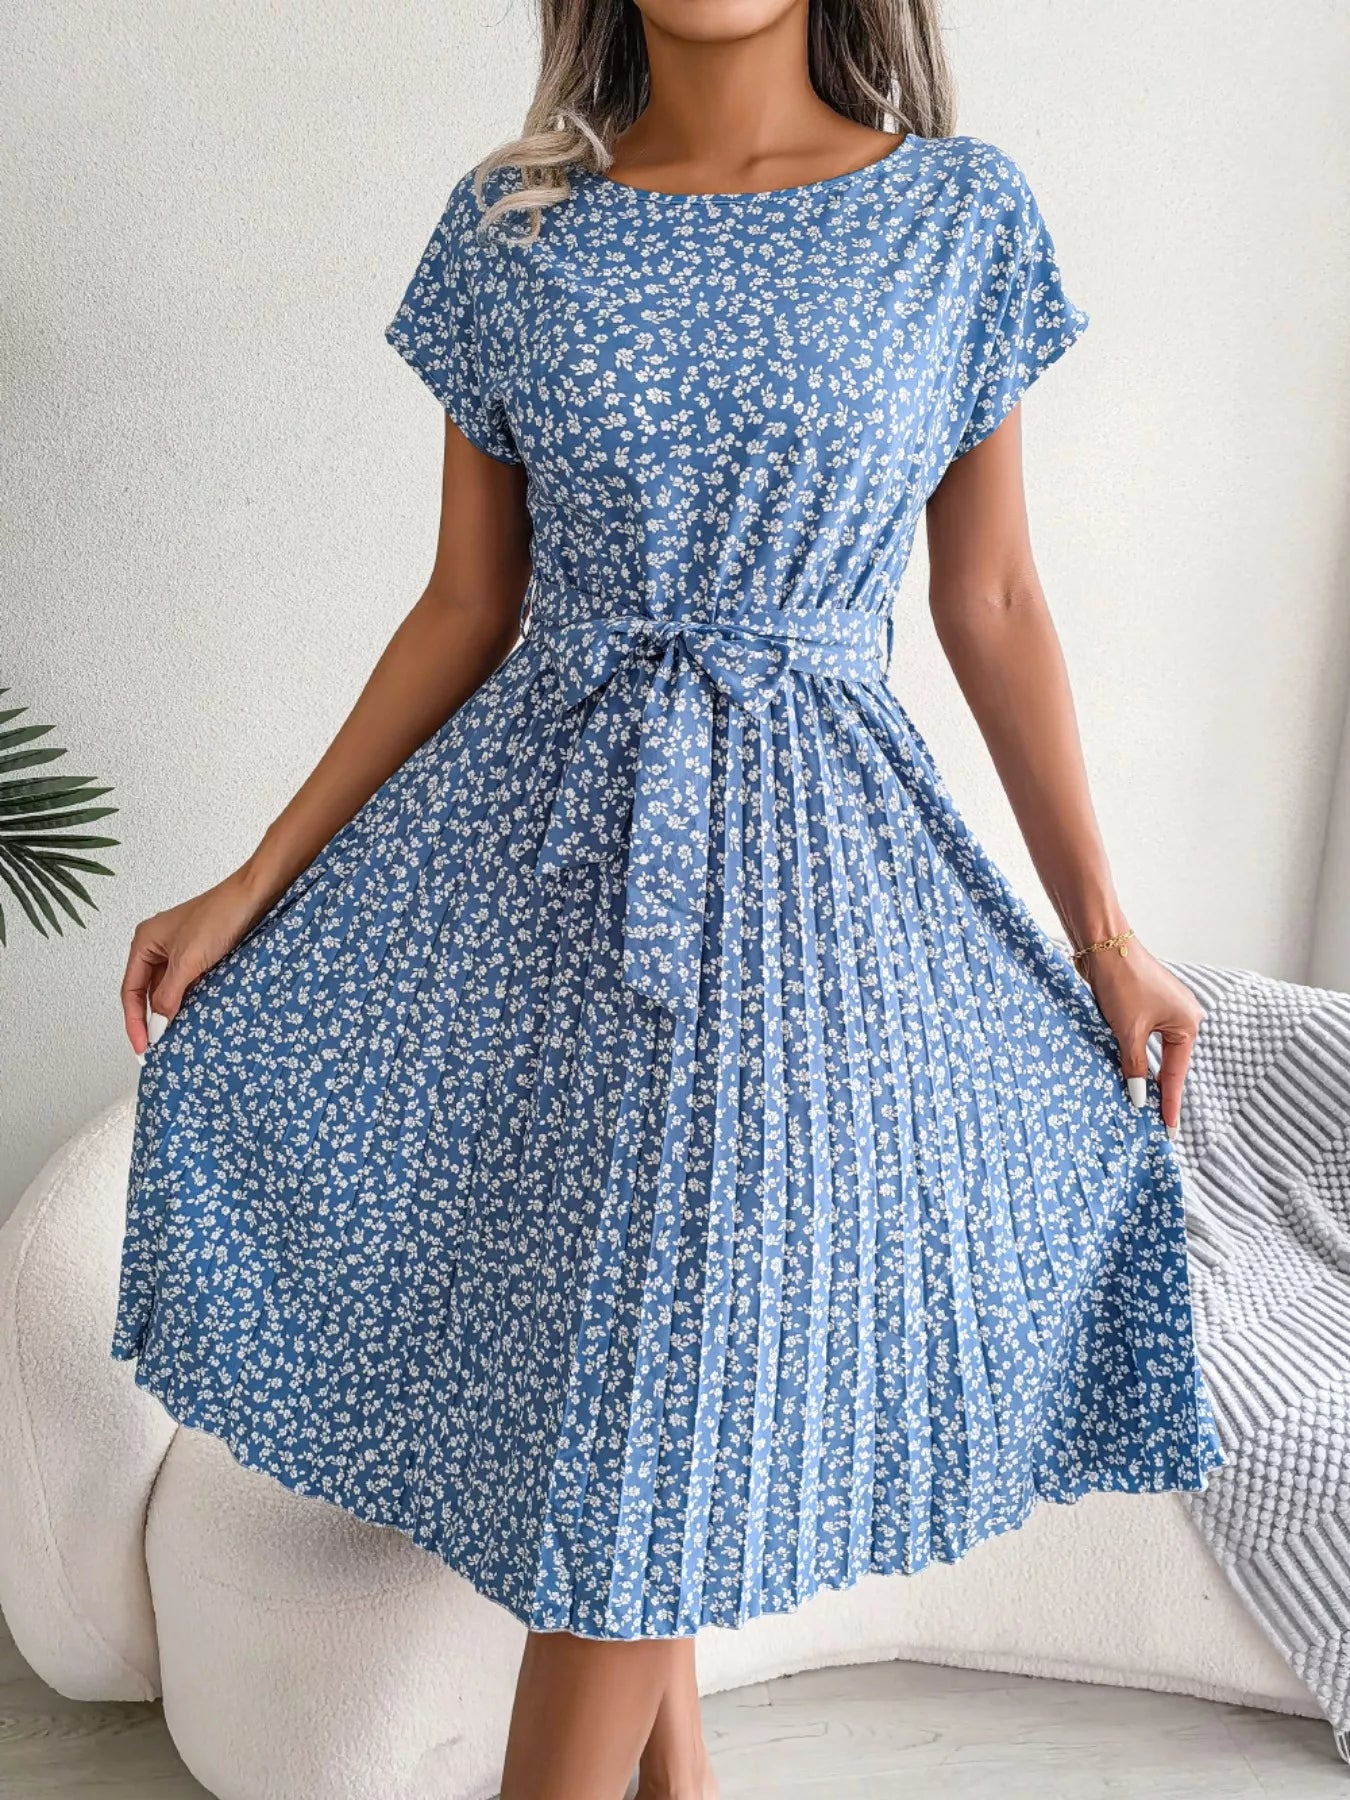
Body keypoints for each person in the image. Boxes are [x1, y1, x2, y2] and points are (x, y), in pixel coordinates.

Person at [114, 2, 1225, 1795]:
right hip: (546, 868)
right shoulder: (513, 223)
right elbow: (465, 605)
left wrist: (1102, 937)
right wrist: (255, 880)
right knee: (645, 1376)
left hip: (813, 887)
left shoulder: (957, 214)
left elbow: (993, 599)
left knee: (661, 1385)